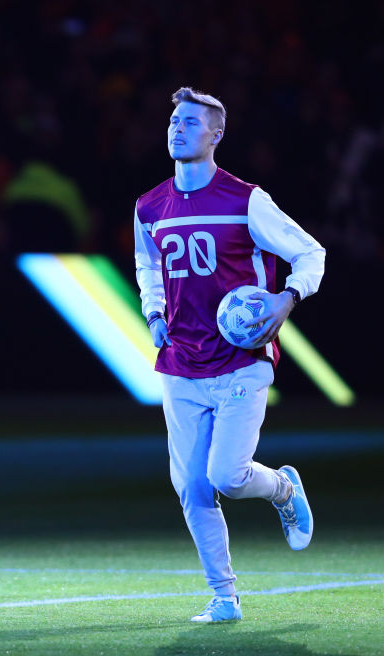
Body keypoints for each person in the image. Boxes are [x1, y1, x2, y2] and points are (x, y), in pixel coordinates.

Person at [134, 87, 326, 623]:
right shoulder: (149, 206)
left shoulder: (245, 199)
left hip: (242, 360)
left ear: (216, 134)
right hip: (180, 363)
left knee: (226, 475)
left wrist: (287, 298)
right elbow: (148, 267)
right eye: (174, 120)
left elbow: (311, 252)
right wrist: (154, 316)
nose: (179, 128)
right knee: (191, 487)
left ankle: (283, 488)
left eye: (192, 122)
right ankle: (224, 597)